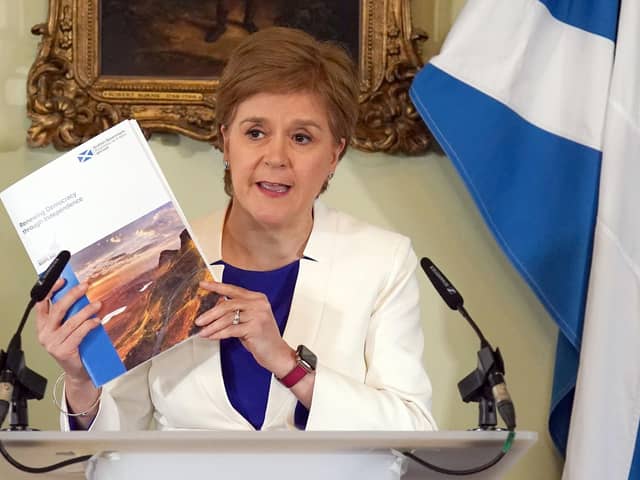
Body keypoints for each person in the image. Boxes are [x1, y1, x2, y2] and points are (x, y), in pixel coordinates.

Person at [35, 27, 437, 432]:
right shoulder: (170, 253)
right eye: (255, 133)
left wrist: (287, 364)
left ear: (335, 154)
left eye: (302, 137)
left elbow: (414, 429)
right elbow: (114, 441)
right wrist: (81, 379)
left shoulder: (382, 260)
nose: (276, 157)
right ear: (227, 143)